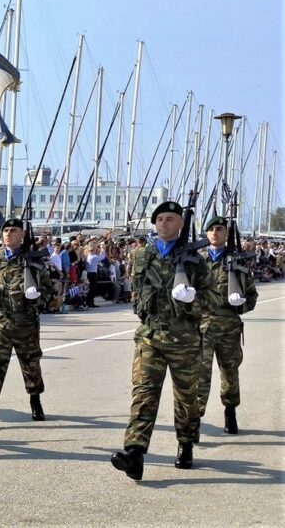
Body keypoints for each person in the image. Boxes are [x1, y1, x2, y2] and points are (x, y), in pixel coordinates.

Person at [110, 201, 220, 481]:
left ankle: (185, 443)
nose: (163, 224)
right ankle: (134, 453)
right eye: (159, 219)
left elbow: (213, 300)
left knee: (186, 397)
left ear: (181, 224)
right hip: (149, 337)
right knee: (143, 394)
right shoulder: (141, 256)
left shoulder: (196, 260)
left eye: (170, 219)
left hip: (184, 339)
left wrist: (193, 299)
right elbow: (136, 293)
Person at [0, 218, 53, 429]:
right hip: (1, 321)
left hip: (25, 321)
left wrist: (37, 298)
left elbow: (50, 291)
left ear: (22, 234)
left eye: (13, 230)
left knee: (30, 364)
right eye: (5, 230)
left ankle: (35, 399)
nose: (7, 234)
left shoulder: (33, 260)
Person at [197, 216, 258, 435]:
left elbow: (251, 296)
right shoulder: (196, 261)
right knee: (199, 375)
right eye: (211, 229)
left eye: (219, 229)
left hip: (228, 327)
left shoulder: (237, 262)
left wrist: (240, 304)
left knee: (229, 372)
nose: (215, 233)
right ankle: (196, 418)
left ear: (226, 233)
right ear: (206, 234)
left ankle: (230, 410)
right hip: (201, 327)